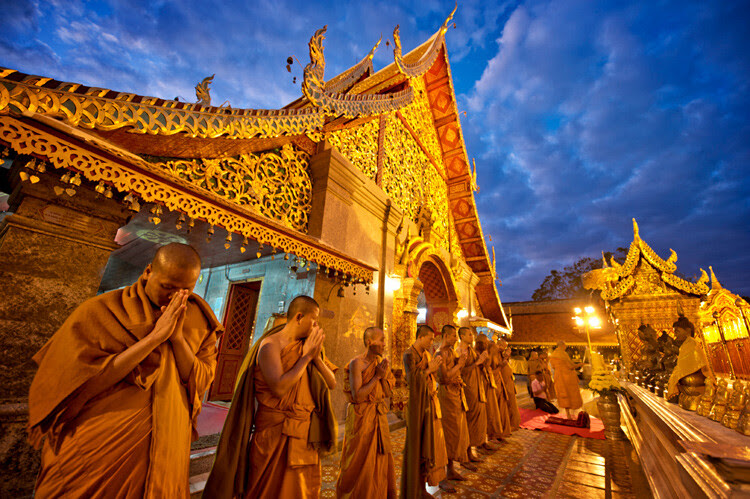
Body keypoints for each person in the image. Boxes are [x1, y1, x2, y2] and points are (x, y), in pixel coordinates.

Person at [28, 243, 222, 498]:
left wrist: (176, 339)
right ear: (148, 271)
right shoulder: (101, 311)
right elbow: (75, 383)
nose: (174, 297)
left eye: (185, 289)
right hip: (100, 448)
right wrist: (152, 340)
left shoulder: (201, 320)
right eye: (167, 287)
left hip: (169, 443)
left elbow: (200, 378)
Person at [204, 295, 338, 499]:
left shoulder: (307, 346)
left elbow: (331, 383)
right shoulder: (270, 346)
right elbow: (280, 388)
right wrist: (306, 358)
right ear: (299, 317)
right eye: (314, 320)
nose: (316, 326)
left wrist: (316, 359)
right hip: (273, 436)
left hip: (303, 437)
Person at [336, 327, 397, 499]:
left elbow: (387, 393)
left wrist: (383, 376)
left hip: (378, 415)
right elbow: (357, 395)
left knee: (379, 459)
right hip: (361, 418)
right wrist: (377, 376)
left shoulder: (380, 363)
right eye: (381, 340)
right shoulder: (357, 363)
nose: (385, 344)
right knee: (359, 460)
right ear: (369, 342)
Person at [402, 325, 449, 499]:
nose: (431, 342)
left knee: (426, 446)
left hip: (428, 401)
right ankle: (413, 491)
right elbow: (411, 381)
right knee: (415, 447)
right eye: (429, 339)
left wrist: (431, 371)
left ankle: (421, 488)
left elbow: (430, 378)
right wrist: (429, 369)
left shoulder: (425, 355)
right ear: (420, 337)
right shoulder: (409, 354)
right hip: (416, 406)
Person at [435, 325, 473, 484]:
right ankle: (442, 474)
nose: (456, 339)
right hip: (446, 396)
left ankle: (451, 470)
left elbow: (455, 370)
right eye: (452, 336)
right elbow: (443, 378)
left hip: (456, 394)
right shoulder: (439, 353)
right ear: (444, 336)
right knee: (448, 435)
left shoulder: (451, 352)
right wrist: (459, 365)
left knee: (457, 432)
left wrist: (460, 362)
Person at [457, 327, 494, 459]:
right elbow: (461, 371)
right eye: (469, 334)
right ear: (461, 336)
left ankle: (477, 444)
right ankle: (466, 453)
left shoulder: (471, 351)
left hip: (477, 386)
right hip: (468, 388)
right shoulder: (459, 351)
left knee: (479, 417)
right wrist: (478, 362)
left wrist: (484, 359)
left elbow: (481, 365)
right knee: (468, 420)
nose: (472, 337)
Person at [476, 334, 509, 443]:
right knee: (488, 411)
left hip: (491, 383)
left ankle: (496, 433)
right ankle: (488, 436)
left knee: (494, 410)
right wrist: (500, 365)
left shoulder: (489, 354)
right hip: (483, 384)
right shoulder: (479, 354)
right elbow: (486, 369)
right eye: (485, 343)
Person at [549, 341, 583, 419]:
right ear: (563, 345)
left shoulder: (553, 354)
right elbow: (570, 366)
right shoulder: (563, 354)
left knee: (563, 393)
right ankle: (573, 413)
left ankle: (568, 414)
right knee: (570, 393)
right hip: (567, 377)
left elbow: (554, 366)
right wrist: (579, 365)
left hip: (558, 376)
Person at [489, 337, 514, 437]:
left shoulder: (498, 355)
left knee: (503, 407)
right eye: (500, 346)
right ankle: (495, 432)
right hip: (493, 385)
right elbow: (492, 371)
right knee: (495, 409)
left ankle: (503, 429)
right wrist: (502, 364)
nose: (501, 348)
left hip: (501, 383)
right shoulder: (491, 356)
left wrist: (505, 358)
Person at [498, 340, 521, 430]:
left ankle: (512, 423)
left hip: (509, 383)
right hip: (503, 384)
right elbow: (497, 367)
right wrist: (505, 357)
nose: (505, 349)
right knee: (506, 405)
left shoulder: (502, 355)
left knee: (512, 404)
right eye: (504, 346)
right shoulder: (496, 355)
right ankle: (507, 424)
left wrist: (506, 357)